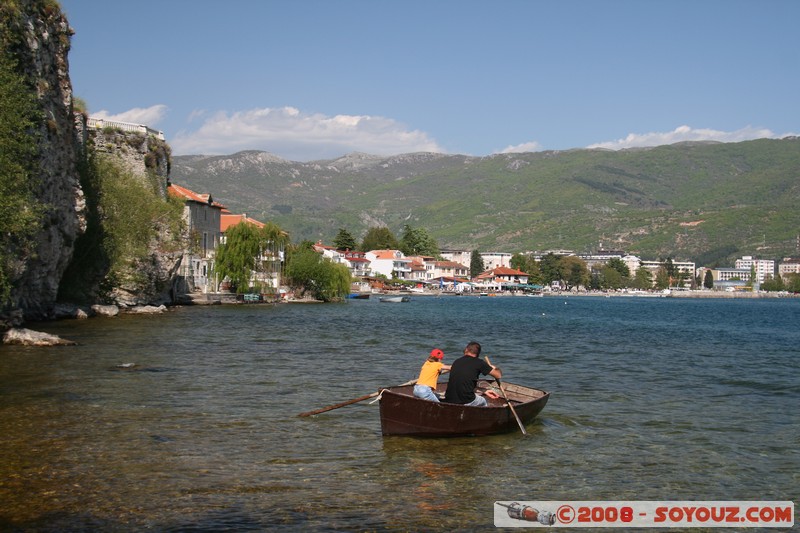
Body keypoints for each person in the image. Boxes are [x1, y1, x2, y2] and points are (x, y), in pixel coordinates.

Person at [443, 341, 501, 406]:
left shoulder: (457, 361)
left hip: (449, 398)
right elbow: (498, 375)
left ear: (466, 350)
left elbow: (465, 384)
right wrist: (495, 368)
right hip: (466, 400)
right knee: (483, 401)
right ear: (478, 354)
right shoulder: (479, 363)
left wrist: (484, 391)